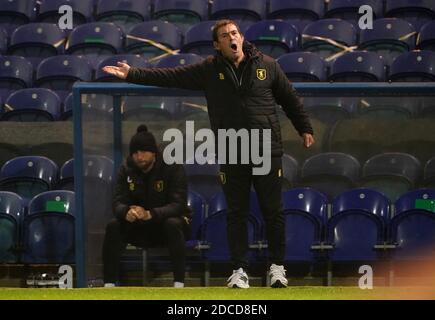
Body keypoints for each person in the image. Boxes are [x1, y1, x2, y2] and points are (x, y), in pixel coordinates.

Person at [102, 19, 315, 289]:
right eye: (225, 36)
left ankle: (277, 268)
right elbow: (170, 77)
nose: (232, 38)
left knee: (273, 211)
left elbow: (290, 98)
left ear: (241, 37)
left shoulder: (268, 65)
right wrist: (133, 74)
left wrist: (304, 127)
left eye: (235, 33)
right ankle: (239, 270)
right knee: (236, 212)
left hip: (266, 149)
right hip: (231, 149)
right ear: (217, 45)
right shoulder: (209, 70)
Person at [102, 124, 191, 288]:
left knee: (172, 223)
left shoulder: (172, 168)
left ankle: (179, 283)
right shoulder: (126, 169)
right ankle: (108, 284)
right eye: (135, 152)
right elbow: (117, 202)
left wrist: (151, 214)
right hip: (140, 226)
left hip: (166, 225)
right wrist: (125, 212)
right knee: (114, 225)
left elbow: (178, 205)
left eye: (143, 151)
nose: (139, 156)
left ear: (154, 153)